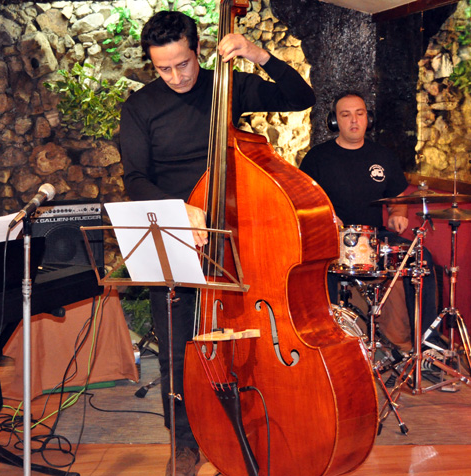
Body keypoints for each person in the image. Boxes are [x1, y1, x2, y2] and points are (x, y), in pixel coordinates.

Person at [120, 11, 315, 476]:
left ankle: (250, 426)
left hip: (236, 233)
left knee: (246, 344)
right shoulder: (140, 107)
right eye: (164, 69)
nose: (176, 76)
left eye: (183, 64)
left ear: (198, 50)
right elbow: (135, 177)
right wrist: (179, 209)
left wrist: (257, 54)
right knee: (177, 349)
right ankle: (185, 444)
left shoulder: (226, 86)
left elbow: (300, 97)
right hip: (176, 232)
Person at [300, 91, 439, 352]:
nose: (354, 120)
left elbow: (397, 198)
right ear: (334, 121)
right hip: (333, 237)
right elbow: (300, 200)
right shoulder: (317, 158)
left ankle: (427, 345)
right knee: (319, 265)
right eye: (346, 115)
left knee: (421, 258)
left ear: (369, 118)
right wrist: (324, 217)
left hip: (376, 238)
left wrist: (397, 214)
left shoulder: (383, 156)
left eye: (360, 113)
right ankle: (330, 345)